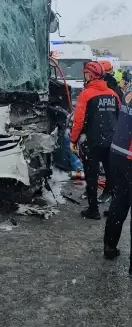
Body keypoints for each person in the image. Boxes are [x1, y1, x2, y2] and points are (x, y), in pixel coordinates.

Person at [70, 61, 120, 219]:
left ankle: (93, 210)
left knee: (92, 176)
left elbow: (78, 121)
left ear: (90, 75)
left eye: (85, 73)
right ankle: (112, 209)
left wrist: (73, 139)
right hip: (111, 141)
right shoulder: (113, 94)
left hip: (91, 142)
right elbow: (119, 117)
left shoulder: (86, 94)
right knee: (111, 174)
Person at [103, 87, 132, 268]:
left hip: (118, 152)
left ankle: (109, 246)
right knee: (120, 199)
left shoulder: (130, 88)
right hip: (130, 154)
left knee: (120, 200)